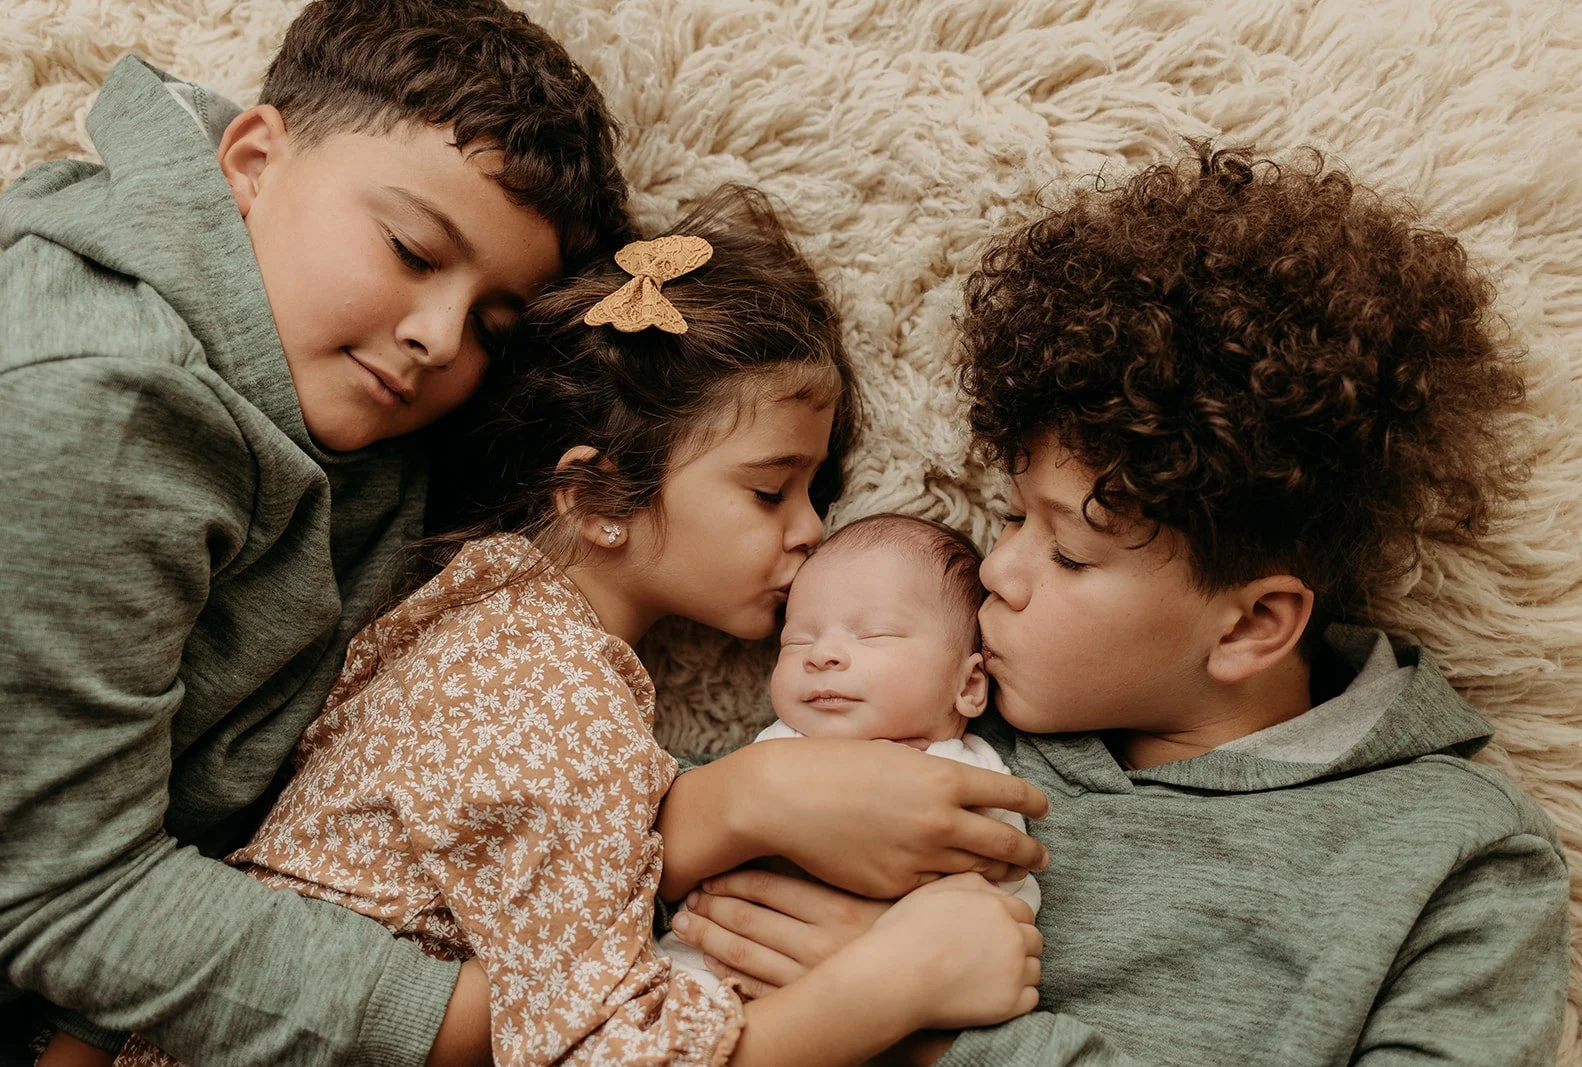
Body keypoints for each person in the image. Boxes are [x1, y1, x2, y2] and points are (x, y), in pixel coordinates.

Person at [84, 186, 1042, 1067]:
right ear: (593, 496)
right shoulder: (555, 695)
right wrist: (899, 983)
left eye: (814, 489)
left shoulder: (480, 617)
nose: (812, 532)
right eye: (769, 489)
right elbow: (597, 1052)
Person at [668, 143, 1570, 1066]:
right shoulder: (934, 700)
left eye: (1067, 550)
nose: (998, 572)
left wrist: (933, 1031)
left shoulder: (1453, 856)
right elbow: (564, 846)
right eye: (1013, 516)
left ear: (1253, 624)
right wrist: (739, 799)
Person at [0, 0, 634, 1062]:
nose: (439, 339)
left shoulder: (332, 394)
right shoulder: (98, 413)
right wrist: (475, 1017)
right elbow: (54, 883)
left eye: (492, 324)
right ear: (250, 159)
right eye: (410, 248)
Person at [657, 514, 1041, 991]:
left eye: (873, 633)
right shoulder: (772, 751)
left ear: (967, 685)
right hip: (693, 977)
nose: (822, 655)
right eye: (797, 639)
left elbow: (1008, 906)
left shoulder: (975, 778)